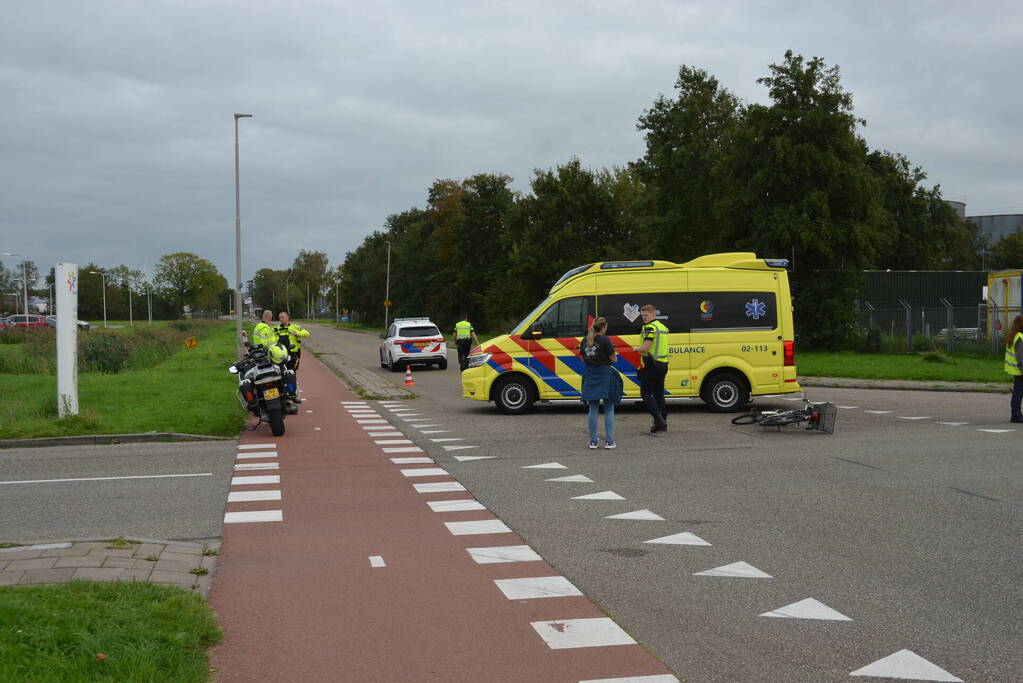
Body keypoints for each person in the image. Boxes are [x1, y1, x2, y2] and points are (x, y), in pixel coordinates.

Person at [580, 317, 621, 449]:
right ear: (603, 327)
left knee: (593, 408)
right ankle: (609, 441)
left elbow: (582, 359)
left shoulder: (585, 340)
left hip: (590, 374)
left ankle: (593, 441)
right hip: (605, 375)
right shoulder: (605, 339)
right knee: (609, 408)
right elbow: (613, 359)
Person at [633, 304, 669, 433]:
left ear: (654, 314)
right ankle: (663, 421)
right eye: (642, 315)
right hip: (663, 364)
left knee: (646, 393)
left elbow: (646, 347)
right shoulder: (662, 326)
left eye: (646, 315)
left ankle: (659, 420)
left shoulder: (650, 328)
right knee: (659, 393)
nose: (643, 317)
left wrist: (636, 349)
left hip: (652, 365)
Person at [275, 311, 310, 399]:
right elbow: (271, 340)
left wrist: (297, 333)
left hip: (293, 355)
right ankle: (281, 394)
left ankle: (292, 394)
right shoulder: (276, 329)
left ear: (287, 317)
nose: (281, 319)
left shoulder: (295, 327)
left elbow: (307, 333)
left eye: (282, 317)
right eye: (279, 318)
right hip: (280, 355)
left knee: (291, 375)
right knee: (279, 375)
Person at [1005, 314, 1023, 423]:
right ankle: (1016, 415)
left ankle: (1017, 414)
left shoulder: (1013, 336)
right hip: (1020, 370)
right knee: (1018, 393)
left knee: (1018, 392)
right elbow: (1021, 357)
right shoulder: (1019, 337)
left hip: (1016, 370)